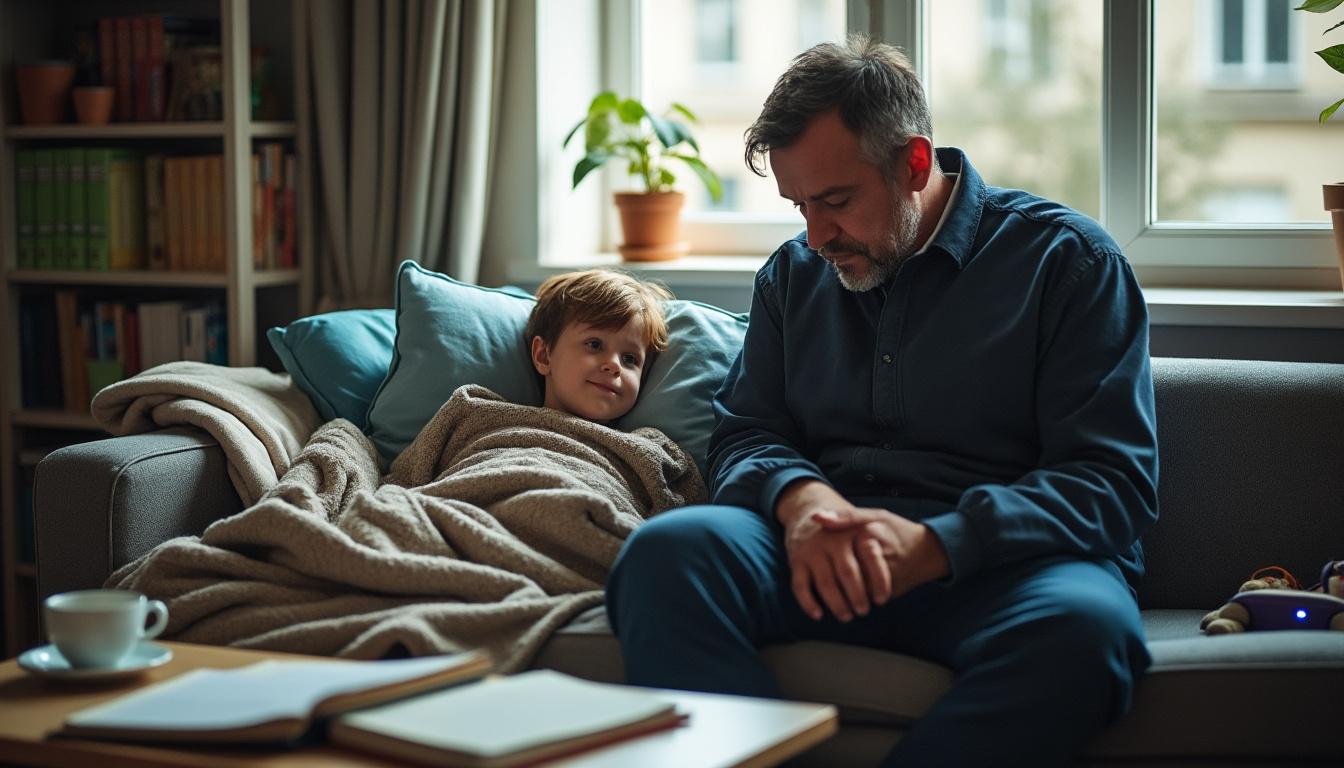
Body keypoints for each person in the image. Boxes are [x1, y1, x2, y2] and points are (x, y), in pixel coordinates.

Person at [605, 35, 1158, 767]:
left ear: (915, 163)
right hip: (821, 553)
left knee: (1089, 634)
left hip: (1000, 570)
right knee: (663, 557)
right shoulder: (794, 275)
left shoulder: (1069, 264)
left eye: (835, 201)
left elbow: (1111, 482)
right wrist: (801, 502)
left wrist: (936, 546)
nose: (815, 235)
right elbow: (745, 433)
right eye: (799, 205)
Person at [525, 269, 674, 423]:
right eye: (595, 345)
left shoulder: (648, 444)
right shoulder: (503, 419)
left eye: (629, 359)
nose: (614, 365)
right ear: (543, 356)